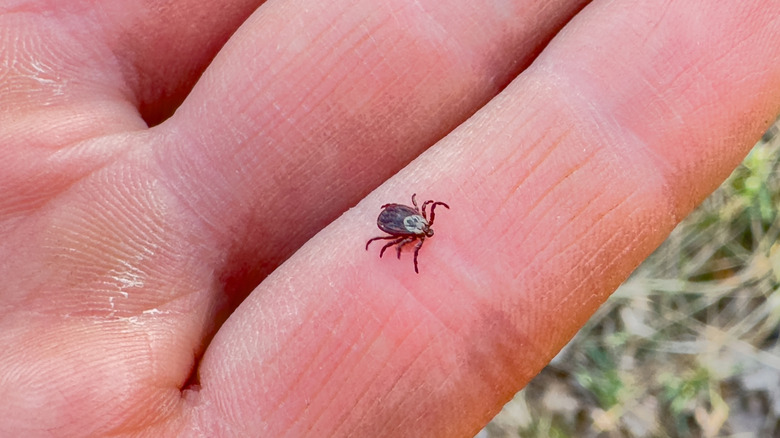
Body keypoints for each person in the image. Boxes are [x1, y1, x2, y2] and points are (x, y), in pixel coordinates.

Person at [2, 1, 779, 436]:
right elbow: (400, 227)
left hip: (383, 213)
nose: (423, 233)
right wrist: (410, 228)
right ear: (417, 226)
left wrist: (407, 227)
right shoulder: (408, 229)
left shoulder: (405, 227)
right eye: (421, 229)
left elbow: (397, 225)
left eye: (421, 230)